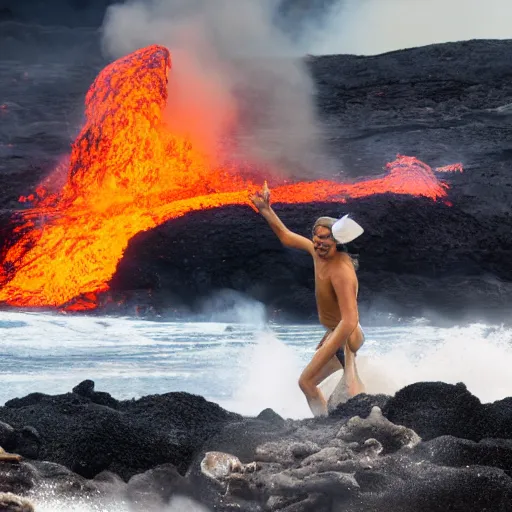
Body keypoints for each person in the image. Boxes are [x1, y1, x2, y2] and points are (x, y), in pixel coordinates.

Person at [250, 182, 366, 417]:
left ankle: (324, 425)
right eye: (315, 237)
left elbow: (350, 319)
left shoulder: (341, 270)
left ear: (337, 242)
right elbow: (286, 237)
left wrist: (330, 343)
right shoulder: (317, 253)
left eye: (324, 239)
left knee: (307, 382)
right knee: (346, 386)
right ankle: (342, 418)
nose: (317, 243)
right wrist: (265, 209)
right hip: (339, 332)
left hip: (348, 335)